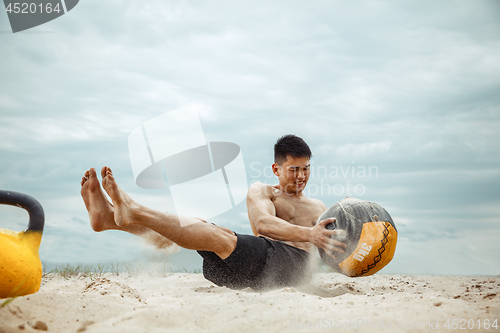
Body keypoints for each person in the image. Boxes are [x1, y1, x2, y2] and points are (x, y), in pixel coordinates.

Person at [80, 134, 346, 290]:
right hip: (255, 265)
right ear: (276, 169)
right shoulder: (263, 192)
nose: (301, 176)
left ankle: (126, 214)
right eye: (294, 169)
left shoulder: (319, 208)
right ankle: (115, 218)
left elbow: (334, 250)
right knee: (202, 228)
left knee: (211, 233)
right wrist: (309, 233)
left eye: (306, 168)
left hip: (289, 271)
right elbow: (264, 224)